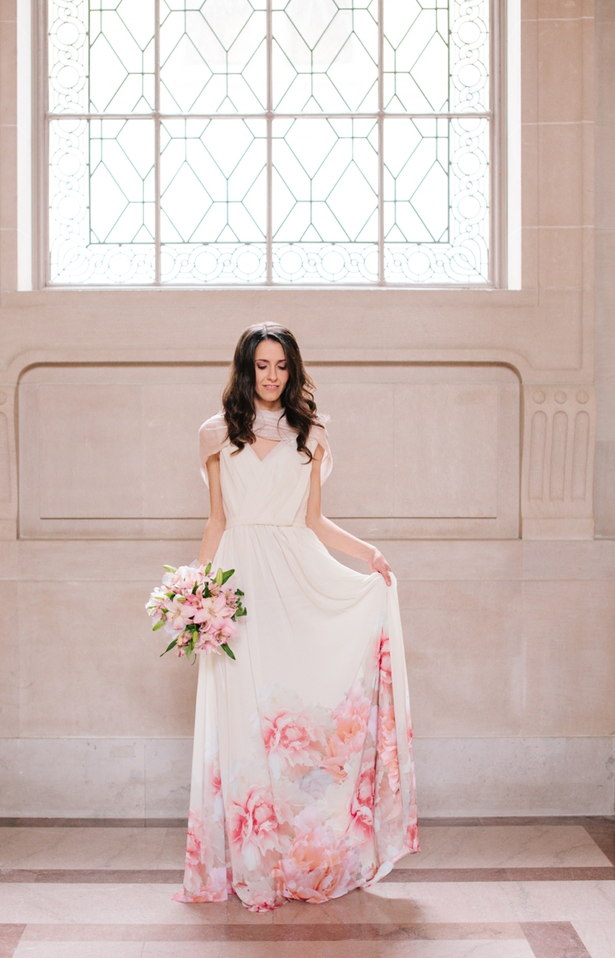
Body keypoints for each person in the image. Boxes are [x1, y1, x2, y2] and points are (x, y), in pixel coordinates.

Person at [173, 322, 418, 913]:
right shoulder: (216, 434)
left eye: (282, 365)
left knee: (295, 711)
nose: (272, 376)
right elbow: (216, 521)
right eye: (262, 365)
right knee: (241, 717)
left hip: (293, 575)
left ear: (294, 369)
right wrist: (197, 594)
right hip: (238, 583)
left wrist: (368, 553)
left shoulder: (311, 431)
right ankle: (249, 860)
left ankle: (307, 851)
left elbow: (313, 521)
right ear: (245, 369)